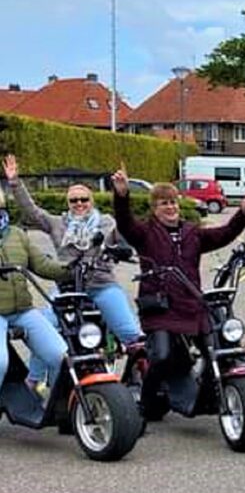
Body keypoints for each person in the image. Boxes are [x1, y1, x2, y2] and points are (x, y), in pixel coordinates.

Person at [110, 165, 245, 417]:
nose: (170, 207)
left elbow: (225, 234)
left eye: (173, 202)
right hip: (160, 308)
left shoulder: (192, 233)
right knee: (162, 356)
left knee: (214, 349)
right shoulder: (145, 233)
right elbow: (125, 223)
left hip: (192, 305)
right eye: (164, 203)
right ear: (154, 208)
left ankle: (209, 396)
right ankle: (146, 404)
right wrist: (122, 195)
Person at [3, 154, 142, 390]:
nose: (79, 204)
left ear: (92, 201)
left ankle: (141, 381)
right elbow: (32, 211)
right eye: (74, 200)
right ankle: (34, 380)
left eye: (84, 199)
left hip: (101, 285)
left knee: (132, 334)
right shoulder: (58, 223)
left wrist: (122, 196)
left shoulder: (106, 222)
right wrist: (15, 182)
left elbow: (125, 229)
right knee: (45, 328)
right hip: (67, 288)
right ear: (68, 203)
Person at [0, 187, 69, 396]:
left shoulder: (16, 234)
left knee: (61, 356)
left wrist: (71, 268)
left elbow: (42, 265)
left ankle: (59, 405)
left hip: (23, 310)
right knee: (0, 363)